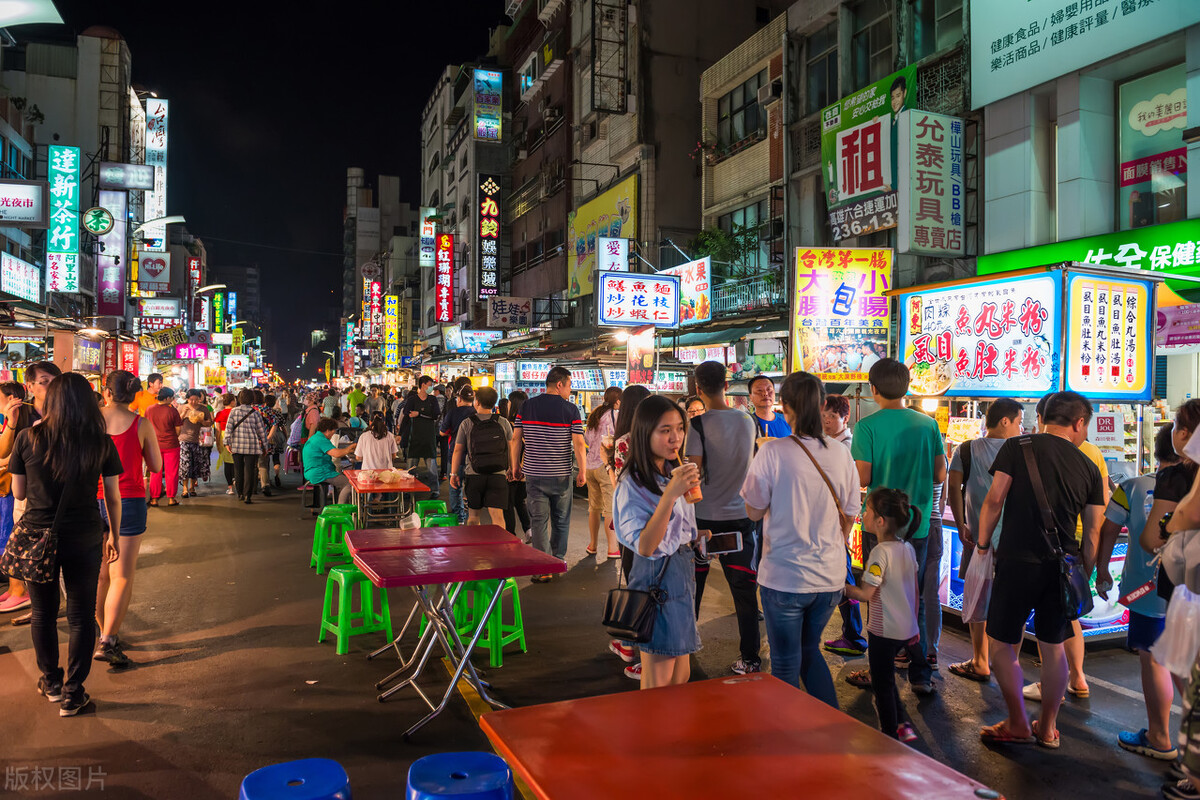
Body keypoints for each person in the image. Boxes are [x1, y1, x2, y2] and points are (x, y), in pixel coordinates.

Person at [976, 391, 1104, 749]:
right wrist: (1084, 574)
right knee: (1054, 649)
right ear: (1079, 423)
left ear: (1043, 416)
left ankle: (1017, 720)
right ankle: (1047, 729)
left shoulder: (1017, 447)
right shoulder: (1089, 467)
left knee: (1001, 643)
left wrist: (983, 546)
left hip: (1017, 562)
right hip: (1062, 568)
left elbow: (995, 499)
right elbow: (1092, 530)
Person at [741, 372, 860, 707]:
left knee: (785, 663)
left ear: (785, 406)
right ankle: (829, 735)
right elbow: (850, 512)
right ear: (822, 405)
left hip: (785, 578)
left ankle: (788, 744)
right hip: (829, 579)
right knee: (810, 652)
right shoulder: (840, 454)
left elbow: (752, 511)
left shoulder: (772, 452)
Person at [13, 372, 124, 716]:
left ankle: (52, 682)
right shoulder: (100, 441)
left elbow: (17, 492)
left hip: (38, 536)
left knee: (43, 614)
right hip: (85, 536)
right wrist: (114, 536)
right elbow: (112, 496)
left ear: (52, 400)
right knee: (80, 616)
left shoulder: (28, 438)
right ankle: (75, 693)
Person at [846, 359, 945, 690]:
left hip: (882, 527)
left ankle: (879, 672)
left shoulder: (867, 426)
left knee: (879, 599)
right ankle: (921, 675)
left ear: (873, 389)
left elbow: (863, 476)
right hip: (917, 523)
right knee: (913, 597)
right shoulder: (927, 424)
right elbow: (940, 474)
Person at [1097, 422, 1191, 762]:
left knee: (1154, 659)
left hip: (1146, 589)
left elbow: (1109, 529)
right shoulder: (1194, 488)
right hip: (1187, 591)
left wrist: (1102, 568)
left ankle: (1158, 736)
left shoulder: (1133, 487)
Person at [1023, 392, 1111, 703]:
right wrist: (1091, 561)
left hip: (1045, 544)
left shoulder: (1034, 450)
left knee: (1050, 626)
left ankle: (1052, 686)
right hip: (1076, 546)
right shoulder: (1092, 453)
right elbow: (1102, 505)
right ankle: (1078, 678)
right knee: (1068, 615)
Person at [612, 394, 702, 689]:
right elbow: (645, 546)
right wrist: (671, 495)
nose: (675, 437)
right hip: (656, 578)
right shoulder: (632, 482)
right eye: (665, 430)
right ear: (645, 432)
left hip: (681, 571)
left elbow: (678, 528)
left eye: (679, 428)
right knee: (658, 681)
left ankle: (671, 732)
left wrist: (697, 538)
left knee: (680, 674)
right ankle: (651, 734)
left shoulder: (669, 470)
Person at [686, 360, 760, 675]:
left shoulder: (698, 425)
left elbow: (693, 474)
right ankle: (751, 659)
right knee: (744, 593)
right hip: (742, 520)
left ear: (698, 389)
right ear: (726, 385)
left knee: (694, 586)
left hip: (704, 522)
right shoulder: (747, 422)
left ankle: (684, 646)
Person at [946, 399, 1024, 683]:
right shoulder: (1022, 450)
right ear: (1005, 421)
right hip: (1013, 541)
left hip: (977, 538)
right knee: (1011, 601)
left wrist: (960, 523)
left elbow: (953, 486)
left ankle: (980, 660)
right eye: (1018, 421)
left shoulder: (966, 449)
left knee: (978, 596)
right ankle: (1007, 663)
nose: (1021, 427)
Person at [844, 488, 929, 742]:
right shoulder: (906, 548)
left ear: (880, 521)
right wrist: (914, 629)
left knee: (882, 685)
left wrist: (843, 587)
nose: (862, 514)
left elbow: (867, 594)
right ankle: (902, 725)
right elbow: (915, 592)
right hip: (905, 629)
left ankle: (890, 736)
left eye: (867, 510)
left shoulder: (879, 554)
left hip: (883, 631)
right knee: (888, 682)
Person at [93, 371, 163, 669]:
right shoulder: (141, 423)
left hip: (90, 501)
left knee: (101, 575)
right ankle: (108, 639)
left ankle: (104, 631)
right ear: (135, 395)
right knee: (121, 575)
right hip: (129, 500)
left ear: (106, 392)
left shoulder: (89, 422)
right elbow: (157, 466)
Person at [510, 366, 587, 581]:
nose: (570, 390)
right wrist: (582, 471)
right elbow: (579, 443)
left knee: (539, 521)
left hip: (534, 474)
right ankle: (557, 560)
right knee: (561, 520)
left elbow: (516, 439)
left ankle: (543, 568)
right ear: (559, 384)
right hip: (561, 475)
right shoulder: (571, 410)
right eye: (569, 385)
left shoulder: (526, 406)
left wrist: (515, 466)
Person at [822, 392, 867, 658]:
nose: (826, 420)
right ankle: (852, 634)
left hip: (840, 524)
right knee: (842, 577)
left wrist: (844, 531)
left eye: (832, 416)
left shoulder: (847, 447)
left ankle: (854, 636)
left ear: (845, 418)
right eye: (824, 415)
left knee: (845, 579)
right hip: (833, 523)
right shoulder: (828, 444)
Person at [451, 387, 513, 526]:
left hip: (474, 474)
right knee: (498, 517)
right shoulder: (503, 422)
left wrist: (454, 473)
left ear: (476, 402)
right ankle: (499, 547)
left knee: (473, 516)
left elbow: (457, 451)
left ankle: (475, 547)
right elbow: (511, 448)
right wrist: (511, 468)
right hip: (498, 474)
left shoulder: (467, 423)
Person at [0, 381, 33, 614]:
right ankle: (14, 589)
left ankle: (20, 590)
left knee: (12, 539)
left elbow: (5, 455)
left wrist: (9, 422)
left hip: (15, 489)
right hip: (8, 487)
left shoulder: (24, 420)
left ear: (12, 398)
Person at [583, 386, 621, 562]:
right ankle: (613, 548)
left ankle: (593, 545)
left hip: (590, 466)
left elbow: (586, 439)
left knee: (594, 508)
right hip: (605, 467)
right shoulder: (616, 415)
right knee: (609, 509)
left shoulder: (595, 415)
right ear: (618, 401)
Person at [225, 389, 268, 504]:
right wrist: (265, 446)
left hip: (237, 445)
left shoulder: (233, 411)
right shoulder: (256, 413)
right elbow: (261, 432)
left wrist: (226, 443)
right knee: (250, 470)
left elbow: (228, 428)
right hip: (252, 446)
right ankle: (248, 495)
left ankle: (240, 493)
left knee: (238, 470)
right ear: (252, 399)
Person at [440, 385, 476, 523]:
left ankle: (459, 518)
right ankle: (472, 516)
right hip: (474, 457)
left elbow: (443, 432)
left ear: (459, 399)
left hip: (456, 455)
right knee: (472, 488)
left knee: (455, 486)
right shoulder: (476, 412)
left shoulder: (453, 413)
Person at [303, 418, 357, 503]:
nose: (333, 434)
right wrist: (349, 449)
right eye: (333, 431)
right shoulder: (321, 440)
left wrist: (348, 449)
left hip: (311, 471)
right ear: (328, 430)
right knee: (350, 484)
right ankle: (340, 510)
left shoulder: (314, 438)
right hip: (320, 473)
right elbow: (337, 454)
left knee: (343, 481)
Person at [145, 388, 182, 508]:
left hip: (154, 446)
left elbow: (146, 426)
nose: (172, 400)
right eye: (172, 397)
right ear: (167, 398)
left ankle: (154, 499)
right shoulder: (172, 411)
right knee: (172, 472)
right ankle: (171, 498)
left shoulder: (149, 409)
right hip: (171, 445)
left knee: (155, 472)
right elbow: (178, 430)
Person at [502, 391, 532, 541]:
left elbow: (513, 447)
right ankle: (528, 530)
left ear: (513, 404)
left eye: (508, 402)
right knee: (520, 502)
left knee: (508, 503)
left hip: (513, 470)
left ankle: (511, 535)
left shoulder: (511, 424)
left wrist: (512, 467)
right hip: (526, 471)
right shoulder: (529, 423)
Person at [178, 389, 214, 498]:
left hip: (199, 440)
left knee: (195, 465)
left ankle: (192, 487)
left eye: (196, 399)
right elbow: (176, 422)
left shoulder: (203, 408)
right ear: (187, 399)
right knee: (185, 465)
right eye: (191, 399)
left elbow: (210, 422)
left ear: (200, 399)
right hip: (184, 439)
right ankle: (184, 489)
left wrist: (202, 421)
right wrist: (184, 413)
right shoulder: (181, 407)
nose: (193, 402)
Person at [402, 376, 440, 471]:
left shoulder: (432, 400)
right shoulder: (412, 400)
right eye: (430, 385)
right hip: (414, 439)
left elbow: (436, 415)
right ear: (423, 385)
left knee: (432, 472)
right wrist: (400, 434)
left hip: (429, 439)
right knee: (410, 472)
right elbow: (406, 415)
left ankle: (433, 487)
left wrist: (419, 414)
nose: (432, 388)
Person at [747, 375, 790, 441]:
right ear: (751, 397)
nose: (765, 393)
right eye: (759, 390)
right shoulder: (748, 424)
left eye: (769, 389)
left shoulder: (788, 421)